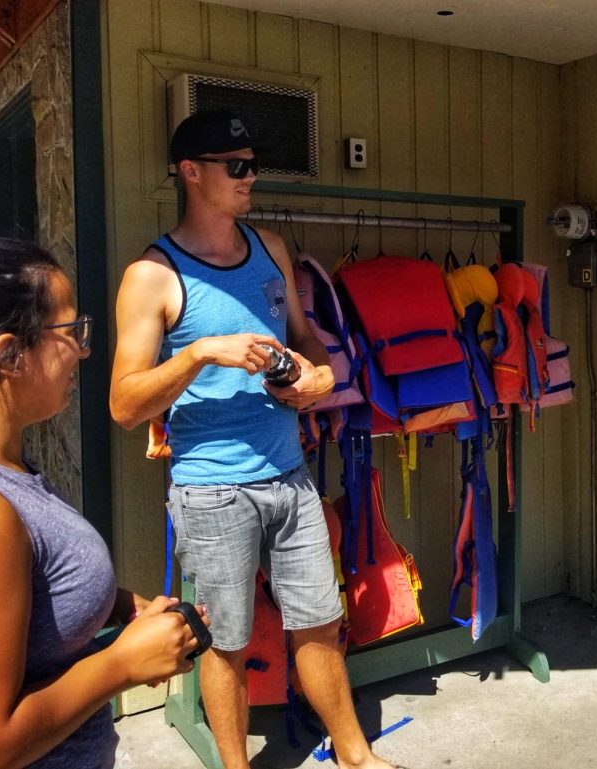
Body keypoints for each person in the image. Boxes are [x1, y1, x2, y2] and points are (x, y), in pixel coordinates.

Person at [109, 110, 399, 769]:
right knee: (226, 640)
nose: (250, 177)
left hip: (291, 474)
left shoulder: (269, 247)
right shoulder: (153, 275)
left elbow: (306, 338)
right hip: (212, 489)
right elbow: (124, 404)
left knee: (321, 623)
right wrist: (201, 353)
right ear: (190, 172)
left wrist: (318, 373)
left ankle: (356, 755)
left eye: (252, 165)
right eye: (235, 166)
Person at [0, 227, 206, 769]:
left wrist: (109, 602)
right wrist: (120, 665)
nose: (84, 348)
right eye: (70, 330)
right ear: (7, 355)